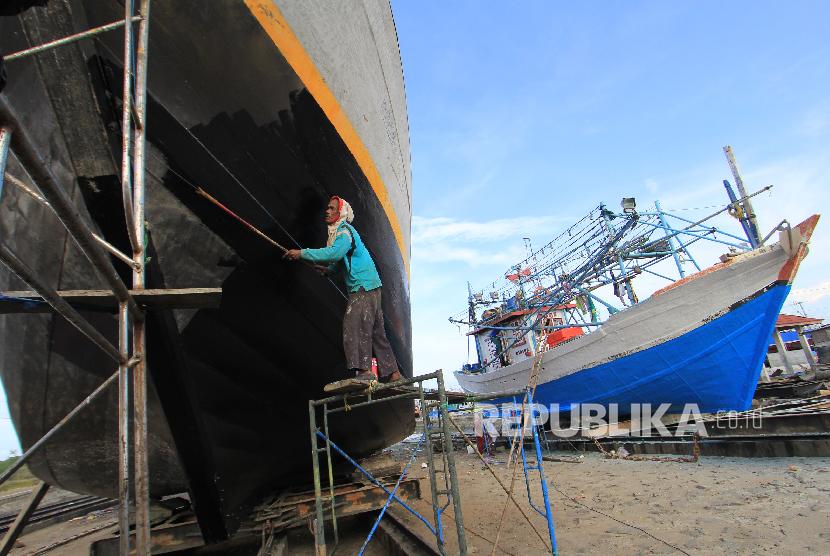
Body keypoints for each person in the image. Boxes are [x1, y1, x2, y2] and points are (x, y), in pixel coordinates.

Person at [284, 196, 402, 383]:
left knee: (354, 325)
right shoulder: (341, 233)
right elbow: (341, 261)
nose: (327, 211)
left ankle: (365, 372)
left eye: (331, 209)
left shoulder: (344, 232)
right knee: (376, 332)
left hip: (362, 286)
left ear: (340, 213)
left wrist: (302, 253)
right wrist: (328, 271)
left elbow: (335, 253)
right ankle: (394, 374)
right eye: (327, 208)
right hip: (370, 285)